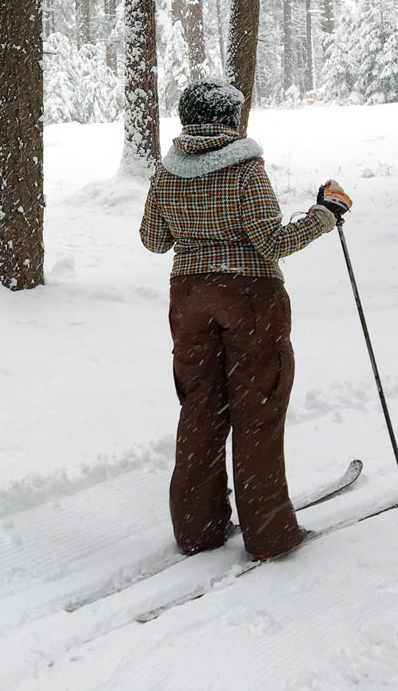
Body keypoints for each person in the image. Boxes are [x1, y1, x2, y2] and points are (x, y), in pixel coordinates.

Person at [139, 79, 350, 560]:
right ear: (229, 118)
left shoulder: (167, 173)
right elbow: (272, 243)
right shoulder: (244, 170)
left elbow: (154, 240)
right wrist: (325, 215)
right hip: (250, 298)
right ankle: (270, 534)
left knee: (200, 410)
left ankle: (198, 528)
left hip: (189, 301)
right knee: (257, 409)